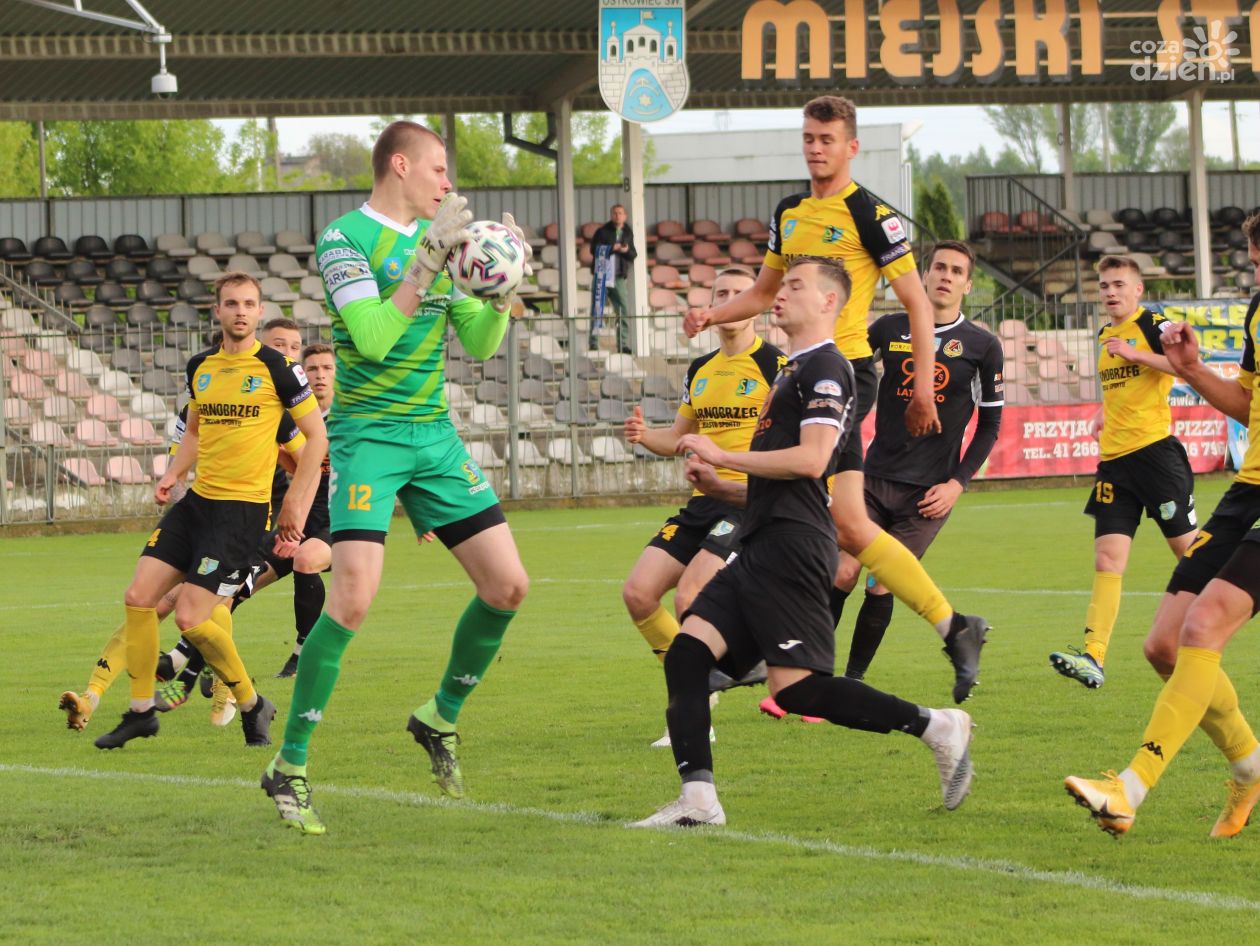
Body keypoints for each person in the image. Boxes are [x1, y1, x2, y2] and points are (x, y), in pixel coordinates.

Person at [632, 257, 973, 828]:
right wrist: (722, 485)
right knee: (687, 655)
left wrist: (723, 454)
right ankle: (699, 801)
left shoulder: (827, 368)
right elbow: (785, 481)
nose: (778, 293)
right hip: (761, 539)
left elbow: (813, 461)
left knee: (799, 692)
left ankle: (938, 725)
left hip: (792, 549)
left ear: (828, 302)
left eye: (794, 285)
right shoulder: (792, 371)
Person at [261, 120, 532, 835]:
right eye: (440, 170)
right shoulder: (344, 239)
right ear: (402, 166)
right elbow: (374, 340)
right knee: (352, 600)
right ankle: (289, 765)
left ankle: (439, 716)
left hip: (433, 438)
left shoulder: (446, 242)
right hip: (370, 440)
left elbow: (479, 343)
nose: (449, 184)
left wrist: (503, 290)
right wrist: (426, 264)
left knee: (508, 586)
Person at [683, 95, 988, 705]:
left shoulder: (872, 214)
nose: (815, 148)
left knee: (786, 496)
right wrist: (710, 314)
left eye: (827, 139)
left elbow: (917, 303)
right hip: (799, 371)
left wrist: (922, 386)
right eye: (808, 138)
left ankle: (742, 646)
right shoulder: (790, 212)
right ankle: (954, 626)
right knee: (845, 522)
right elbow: (764, 291)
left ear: (852, 147)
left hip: (840, 372)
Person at [1065, 214, 1260, 838]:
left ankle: (1128, 789)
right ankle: (1251, 766)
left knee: (1204, 626)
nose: (1257, 270)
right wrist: (1193, 369)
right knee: (1164, 647)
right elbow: (1246, 405)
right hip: (1247, 491)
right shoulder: (1258, 313)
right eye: (1255, 260)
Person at [91, 272, 327, 750]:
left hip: (241, 514)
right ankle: (141, 711)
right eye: (231, 303)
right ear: (217, 310)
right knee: (139, 597)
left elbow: (316, 439)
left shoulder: (280, 369)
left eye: (249, 304)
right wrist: (173, 473)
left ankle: (250, 702)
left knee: (191, 617)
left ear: (259, 312)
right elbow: (195, 433)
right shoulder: (200, 367)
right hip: (198, 504)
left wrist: (295, 506)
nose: (240, 311)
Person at [623, 266, 786, 746]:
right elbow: (678, 437)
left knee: (690, 596)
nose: (730, 301)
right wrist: (643, 436)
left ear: (755, 303)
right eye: (721, 293)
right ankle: (704, 685)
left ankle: (696, 708)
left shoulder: (776, 365)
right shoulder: (700, 369)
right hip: (701, 503)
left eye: (739, 293)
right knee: (638, 594)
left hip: (745, 502)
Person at [830, 241, 1003, 682]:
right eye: (939, 267)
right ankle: (810, 671)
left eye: (957, 271)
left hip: (928, 494)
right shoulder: (889, 328)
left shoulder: (982, 346)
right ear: (924, 275)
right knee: (842, 572)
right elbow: (849, 377)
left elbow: (989, 425)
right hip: (872, 479)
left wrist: (957, 484)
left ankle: (852, 681)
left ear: (967, 285)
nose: (946, 276)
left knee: (881, 582)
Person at [1049, 256, 1198, 688]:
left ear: (1137, 290)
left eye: (1118, 284)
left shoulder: (1152, 324)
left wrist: (1135, 353)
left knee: (1191, 554)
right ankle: (1093, 656)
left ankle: (1217, 622)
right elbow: (1123, 386)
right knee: (1107, 558)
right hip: (1115, 463)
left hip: (1155, 456)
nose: (1110, 292)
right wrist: (1104, 412)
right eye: (1104, 286)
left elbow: (1186, 365)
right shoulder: (1106, 335)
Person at [589, 203, 637, 353]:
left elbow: (633, 254)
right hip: (601, 276)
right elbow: (593, 249)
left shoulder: (628, 233)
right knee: (597, 309)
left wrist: (625, 250)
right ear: (611, 215)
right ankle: (593, 343)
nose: (617, 216)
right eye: (615, 213)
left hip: (618, 278)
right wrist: (612, 248)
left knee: (623, 310)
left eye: (620, 213)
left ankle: (622, 344)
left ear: (625, 216)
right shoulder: (602, 231)